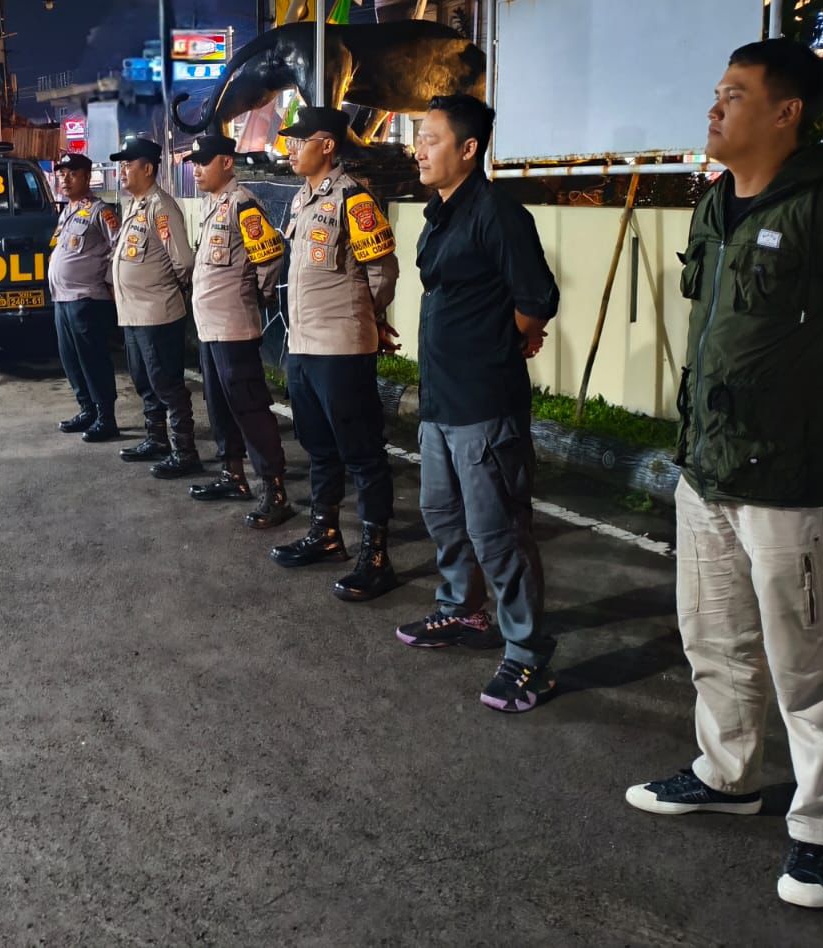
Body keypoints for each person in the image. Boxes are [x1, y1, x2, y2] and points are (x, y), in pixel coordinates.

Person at [625, 39, 823, 910]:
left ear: (786, 112)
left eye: (734, 95)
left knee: (809, 666)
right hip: (709, 466)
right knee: (714, 638)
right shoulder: (716, 205)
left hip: (798, 483)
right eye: (716, 92)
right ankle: (727, 772)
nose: (714, 108)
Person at [400, 94, 559, 712]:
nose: (418, 149)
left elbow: (536, 300)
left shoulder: (498, 213)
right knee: (443, 515)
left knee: (499, 534)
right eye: (419, 137)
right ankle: (462, 609)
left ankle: (528, 656)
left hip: (485, 404)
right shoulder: (441, 212)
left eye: (431, 139)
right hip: (441, 401)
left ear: (468, 149)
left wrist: (507, 340)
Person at [268, 107, 402, 602]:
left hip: (341, 347)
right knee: (319, 447)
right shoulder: (301, 200)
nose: (290, 149)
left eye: (299, 140)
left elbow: (383, 271)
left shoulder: (353, 199)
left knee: (363, 453)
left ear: (326, 145)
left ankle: (376, 556)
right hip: (303, 347)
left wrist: (367, 316)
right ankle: (325, 533)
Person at [180, 134, 295, 530]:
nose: (197, 170)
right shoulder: (214, 204)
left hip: (233, 327)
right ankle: (232, 474)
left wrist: (257, 296)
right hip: (210, 328)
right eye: (195, 163)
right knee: (218, 405)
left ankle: (274, 490)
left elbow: (270, 258)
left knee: (249, 408)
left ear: (226, 163)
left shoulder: (243, 204)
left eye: (204, 162)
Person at [108, 137, 200, 478]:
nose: (122, 171)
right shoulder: (136, 205)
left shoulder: (161, 208)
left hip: (157, 313)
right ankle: (157, 438)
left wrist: (169, 291)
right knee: (144, 381)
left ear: (147, 168)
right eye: (121, 165)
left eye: (128, 165)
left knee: (166, 383)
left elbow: (184, 262)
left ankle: (185, 451)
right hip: (134, 314)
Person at [47, 152, 122, 443]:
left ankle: (106, 417)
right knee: (71, 359)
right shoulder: (68, 211)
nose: (65, 179)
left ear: (87, 177)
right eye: (61, 174)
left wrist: (110, 283)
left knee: (93, 360)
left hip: (87, 298)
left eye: (72, 174)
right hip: (62, 299)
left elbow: (118, 247)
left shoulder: (100, 211)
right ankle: (87, 409)